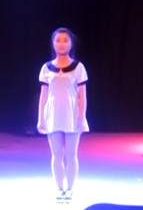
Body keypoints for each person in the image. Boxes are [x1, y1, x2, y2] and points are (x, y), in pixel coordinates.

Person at [37, 28, 88, 202]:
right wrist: (40, 118)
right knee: (57, 155)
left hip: (72, 114)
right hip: (53, 114)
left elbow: (83, 96)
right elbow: (43, 95)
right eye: (58, 40)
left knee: (71, 155)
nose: (61, 43)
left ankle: (70, 189)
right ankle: (59, 189)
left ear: (71, 44)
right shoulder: (46, 68)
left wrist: (81, 116)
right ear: (53, 43)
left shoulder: (78, 68)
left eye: (65, 40)